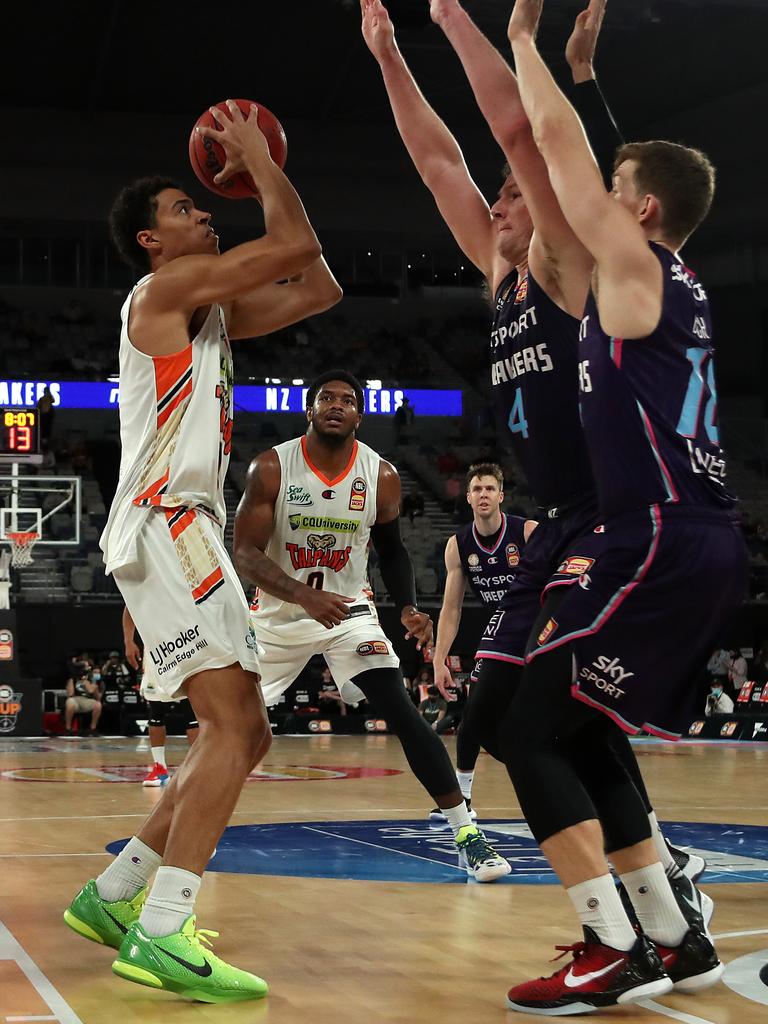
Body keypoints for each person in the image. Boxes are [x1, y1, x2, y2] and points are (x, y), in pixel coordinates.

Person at [361, 0, 702, 916]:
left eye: (508, 192)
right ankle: (657, 879)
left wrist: (459, 22)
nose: (500, 200)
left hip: (615, 512)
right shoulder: (499, 272)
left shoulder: (560, 262)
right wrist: (389, 54)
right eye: (501, 198)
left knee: (551, 716)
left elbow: (518, 135)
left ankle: (650, 884)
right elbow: (440, 165)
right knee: (519, 719)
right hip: (557, 522)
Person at [500, 0, 749, 1012]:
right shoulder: (664, 274)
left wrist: (524, 47)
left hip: (655, 535)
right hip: (696, 538)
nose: (593, 198)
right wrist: (588, 76)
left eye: (615, 192)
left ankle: (610, 945)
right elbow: (600, 165)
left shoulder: (635, 265)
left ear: (639, 212)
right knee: (585, 728)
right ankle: (672, 933)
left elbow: (559, 152)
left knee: (529, 731)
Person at [64, 100, 342, 1003]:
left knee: (239, 731)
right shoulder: (164, 293)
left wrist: (269, 179)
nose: (204, 213)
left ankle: (115, 899)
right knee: (238, 729)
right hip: (170, 521)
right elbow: (291, 246)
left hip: (174, 526)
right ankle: (162, 931)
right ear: (151, 239)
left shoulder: (207, 314)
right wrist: (260, 159)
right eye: (186, 209)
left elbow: (318, 286)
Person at [234, 369, 510, 882]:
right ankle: (185, 826)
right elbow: (244, 552)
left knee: (402, 712)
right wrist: (302, 595)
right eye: (326, 398)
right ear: (310, 411)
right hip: (277, 616)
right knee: (231, 730)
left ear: (359, 415)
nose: (337, 405)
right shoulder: (271, 467)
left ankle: (466, 832)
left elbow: (391, 549)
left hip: (348, 613)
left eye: (347, 400)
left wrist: (406, 605)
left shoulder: (379, 475)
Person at [429, 461, 535, 820]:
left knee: (543, 719)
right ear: (468, 498)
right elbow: (451, 609)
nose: (484, 494)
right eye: (477, 489)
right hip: (499, 628)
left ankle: (558, 774)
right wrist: (439, 658)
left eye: (490, 488)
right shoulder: (458, 545)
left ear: (501, 496)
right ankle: (463, 798)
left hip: (537, 628)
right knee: (475, 715)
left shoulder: (528, 532)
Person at [122, 606, 199, 786]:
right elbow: (130, 607)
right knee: (156, 710)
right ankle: (159, 768)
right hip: (156, 652)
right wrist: (128, 641)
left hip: (185, 646)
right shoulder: (147, 583)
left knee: (191, 711)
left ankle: (198, 768)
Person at [64, 668, 103, 735]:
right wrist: (71, 682)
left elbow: (96, 696)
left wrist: (89, 684)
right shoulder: (73, 680)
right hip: (76, 700)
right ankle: (68, 728)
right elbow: (70, 694)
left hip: (88, 700)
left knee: (98, 705)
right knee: (70, 702)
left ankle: (92, 728)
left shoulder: (93, 681)